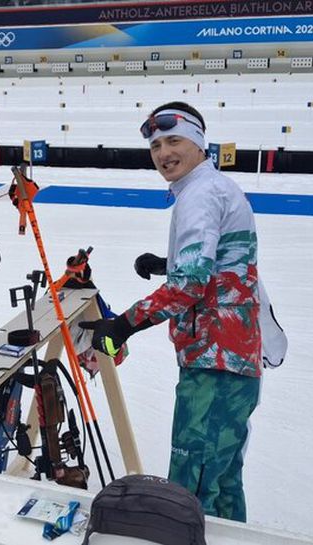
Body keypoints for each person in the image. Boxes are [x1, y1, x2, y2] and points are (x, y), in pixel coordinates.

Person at [80, 101, 265, 522]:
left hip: (215, 360)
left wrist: (123, 324)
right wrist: (168, 262)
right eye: (156, 145)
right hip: (232, 357)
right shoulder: (214, 187)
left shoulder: (199, 195)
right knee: (223, 479)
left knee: (192, 480)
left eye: (174, 140)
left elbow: (190, 285)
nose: (164, 153)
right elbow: (225, 263)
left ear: (199, 143)